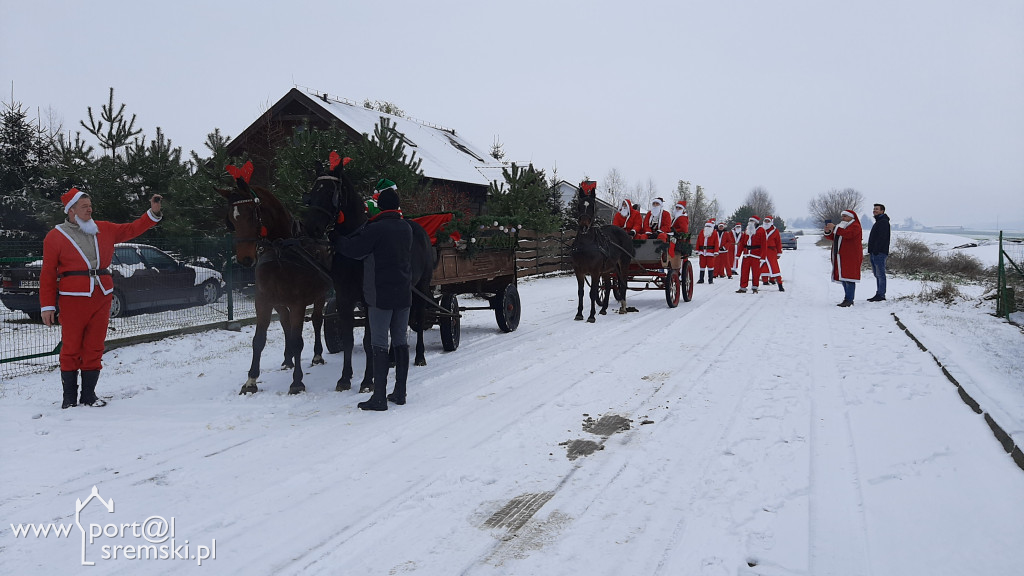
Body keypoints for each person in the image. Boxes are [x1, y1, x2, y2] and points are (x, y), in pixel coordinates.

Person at [41, 188, 163, 409]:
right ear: (71, 210)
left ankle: (89, 395)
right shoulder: (55, 236)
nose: (89, 209)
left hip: (102, 295)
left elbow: (132, 229)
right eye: (84, 206)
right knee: (71, 347)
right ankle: (69, 398)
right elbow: (48, 273)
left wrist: (152, 213)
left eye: (90, 206)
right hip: (72, 298)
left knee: (95, 346)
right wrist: (47, 306)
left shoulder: (103, 229)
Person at [333, 179, 413, 411]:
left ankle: (379, 396)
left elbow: (354, 251)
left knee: (379, 343)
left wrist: (338, 240)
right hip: (403, 295)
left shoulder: (376, 229)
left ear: (381, 205)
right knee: (400, 342)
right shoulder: (406, 227)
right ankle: (400, 391)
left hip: (380, 296)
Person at [824, 210, 864, 307]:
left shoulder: (855, 226)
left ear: (851, 217)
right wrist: (828, 231)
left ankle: (849, 299)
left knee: (849, 277)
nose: (843, 218)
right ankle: (847, 298)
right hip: (841, 255)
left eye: (845, 216)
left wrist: (835, 228)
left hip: (851, 256)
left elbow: (848, 234)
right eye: (842, 216)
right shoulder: (842, 226)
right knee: (844, 277)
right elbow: (835, 237)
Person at [736, 216, 766, 293]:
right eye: (750, 221)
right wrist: (738, 254)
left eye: (753, 221)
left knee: (756, 272)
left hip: (756, 254)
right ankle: (743, 287)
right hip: (746, 254)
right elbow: (742, 243)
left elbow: (764, 244)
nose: (751, 222)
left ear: (756, 222)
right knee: (744, 271)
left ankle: (755, 287)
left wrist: (762, 257)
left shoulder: (761, 230)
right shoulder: (747, 230)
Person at [867, 203, 890, 302]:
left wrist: (876, 250)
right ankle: (879, 293)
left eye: (877, 209)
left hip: (879, 252)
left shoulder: (883, 222)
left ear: (882, 211)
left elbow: (882, 238)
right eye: (874, 209)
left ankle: (881, 295)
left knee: (880, 274)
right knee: (877, 274)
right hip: (874, 252)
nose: (874, 210)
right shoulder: (878, 221)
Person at [759, 215, 784, 291]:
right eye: (765, 221)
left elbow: (778, 242)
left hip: (771, 251)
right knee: (761, 267)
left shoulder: (775, 231)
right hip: (761, 251)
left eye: (768, 221)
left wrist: (779, 252)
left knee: (774, 267)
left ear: (771, 222)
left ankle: (780, 284)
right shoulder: (760, 229)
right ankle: (764, 281)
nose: (766, 222)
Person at [695, 219, 719, 284]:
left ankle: (710, 280)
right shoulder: (702, 232)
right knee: (702, 266)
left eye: (709, 226)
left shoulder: (714, 233)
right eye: (707, 226)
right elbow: (698, 241)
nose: (708, 228)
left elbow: (716, 243)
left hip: (710, 252)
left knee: (710, 266)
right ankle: (701, 279)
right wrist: (697, 250)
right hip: (702, 252)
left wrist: (716, 251)